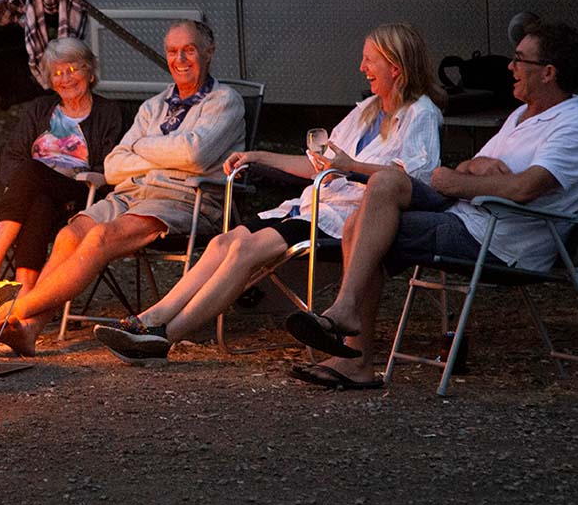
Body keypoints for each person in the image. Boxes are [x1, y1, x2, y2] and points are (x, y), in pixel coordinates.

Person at [94, 23, 446, 368]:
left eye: (369, 60)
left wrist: (352, 166)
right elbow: (316, 165)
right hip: (310, 206)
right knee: (224, 243)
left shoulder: (421, 114)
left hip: (345, 215)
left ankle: (163, 339)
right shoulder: (365, 111)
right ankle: (150, 318)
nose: (361, 68)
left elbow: (412, 179)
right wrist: (257, 156)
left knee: (244, 250)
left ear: (395, 67)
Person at [284, 21, 578, 390]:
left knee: (362, 225)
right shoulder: (520, 117)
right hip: (466, 213)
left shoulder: (574, 126)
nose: (509, 67)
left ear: (548, 73)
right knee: (385, 181)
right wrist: (473, 171)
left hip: (498, 238)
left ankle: (350, 341)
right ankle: (346, 322)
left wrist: (458, 181)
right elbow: (472, 166)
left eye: (519, 60)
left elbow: (525, 187)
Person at [0, 19, 245, 355]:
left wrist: (144, 149)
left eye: (189, 50)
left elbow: (195, 155)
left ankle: (16, 308)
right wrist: (166, 152)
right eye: (172, 51)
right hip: (132, 192)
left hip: (184, 197)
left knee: (99, 237)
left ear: (208, 52)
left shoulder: (224, 101)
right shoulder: (153, 106)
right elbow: (113, 165)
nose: (180, 59)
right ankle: (30, 330)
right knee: (70, 234)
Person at [0, 38, 123, 293]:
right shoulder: (40, 109)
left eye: (73, 69)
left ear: (89, 72)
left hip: (81, 192)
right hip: (35, 194)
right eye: (57, 73)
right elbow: (11, 157)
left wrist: (43, 177)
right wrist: (26, 187)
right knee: (40, 199)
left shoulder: (108, 112)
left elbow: (110, 165)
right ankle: (24, 292)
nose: (66, 78)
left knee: (34, 172)